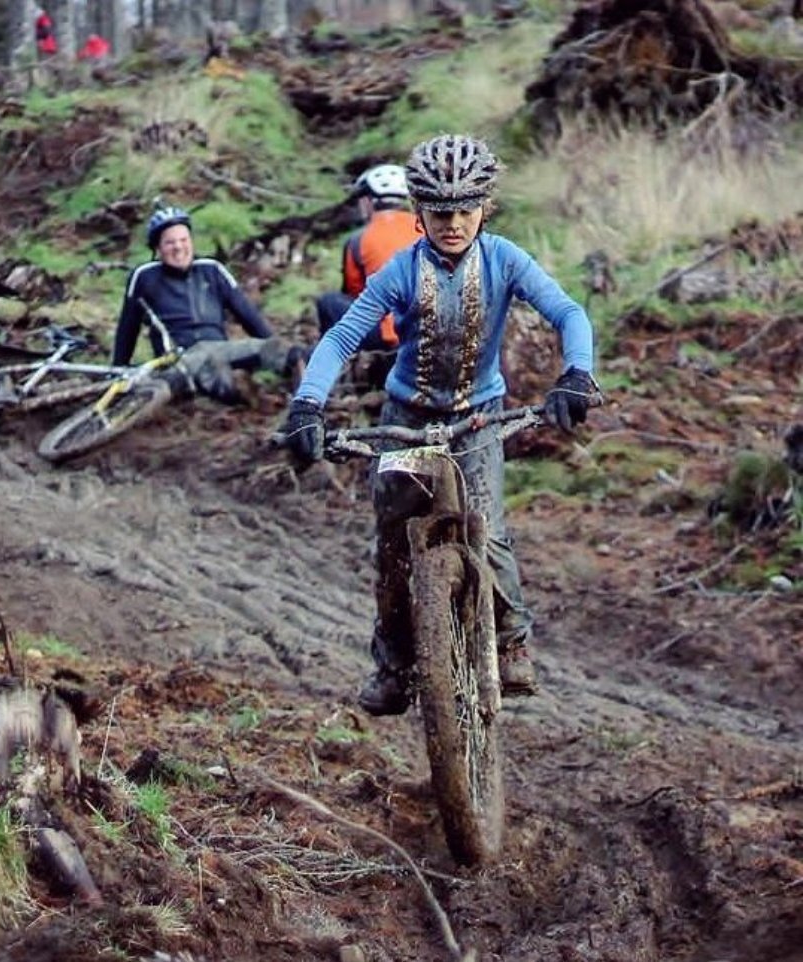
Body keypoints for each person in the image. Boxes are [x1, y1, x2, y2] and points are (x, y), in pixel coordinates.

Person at [281, 133, 597, 715]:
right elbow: (343, 337)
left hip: (478, 418)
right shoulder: (401, 270)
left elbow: (568, 312)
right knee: (393, 544)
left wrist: (576, 374)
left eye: (464, 210)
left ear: (485, 208)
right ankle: (394, 663)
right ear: (418, 214)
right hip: (405, 420)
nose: (453, 223)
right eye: (439, 211)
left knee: (490, 528)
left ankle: (512, 638)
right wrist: (307, 404)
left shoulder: (504, 259)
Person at [113, 205, 304, 403]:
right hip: (181, 358)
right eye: (169, 242)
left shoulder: (212, 270)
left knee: (289, 352)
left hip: (221, 349)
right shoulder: (144, 276)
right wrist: (118, 367)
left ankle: (306, 403)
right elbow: (128, 326)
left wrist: (272, 346)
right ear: (157, 248)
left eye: (183, 240)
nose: (178, 247)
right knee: (215, 370)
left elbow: (248, 315)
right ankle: (233, 387)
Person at [316, 163, 421, 350]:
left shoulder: (359, 240)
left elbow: (355, 294)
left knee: (329, 302)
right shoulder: (429, 230)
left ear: (367, 201)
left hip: (391, 334)